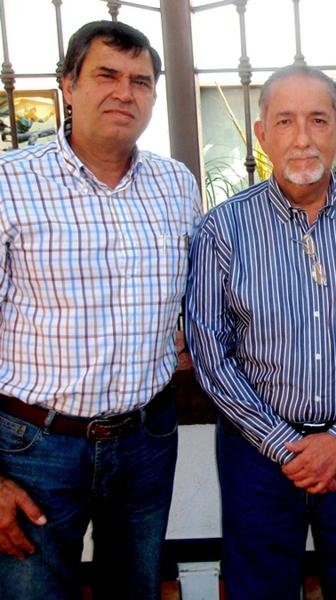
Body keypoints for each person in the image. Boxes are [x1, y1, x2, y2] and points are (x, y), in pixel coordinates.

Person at [185, 64, 336, 600]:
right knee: (259, 590)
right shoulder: (222, 231)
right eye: (285, 121)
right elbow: (210, 353)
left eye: (318, 119)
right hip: (258, 455)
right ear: (262, 134)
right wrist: (285, 446)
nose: (302, 138)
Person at [0, 20, 201, 600]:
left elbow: (199, 296)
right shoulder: (12, 184)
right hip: (33, 448)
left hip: (145, 442)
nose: (124, 92)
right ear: (68, 84)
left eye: (141, 81)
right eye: (106, 75)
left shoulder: (176, 186)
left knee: (135, 590)